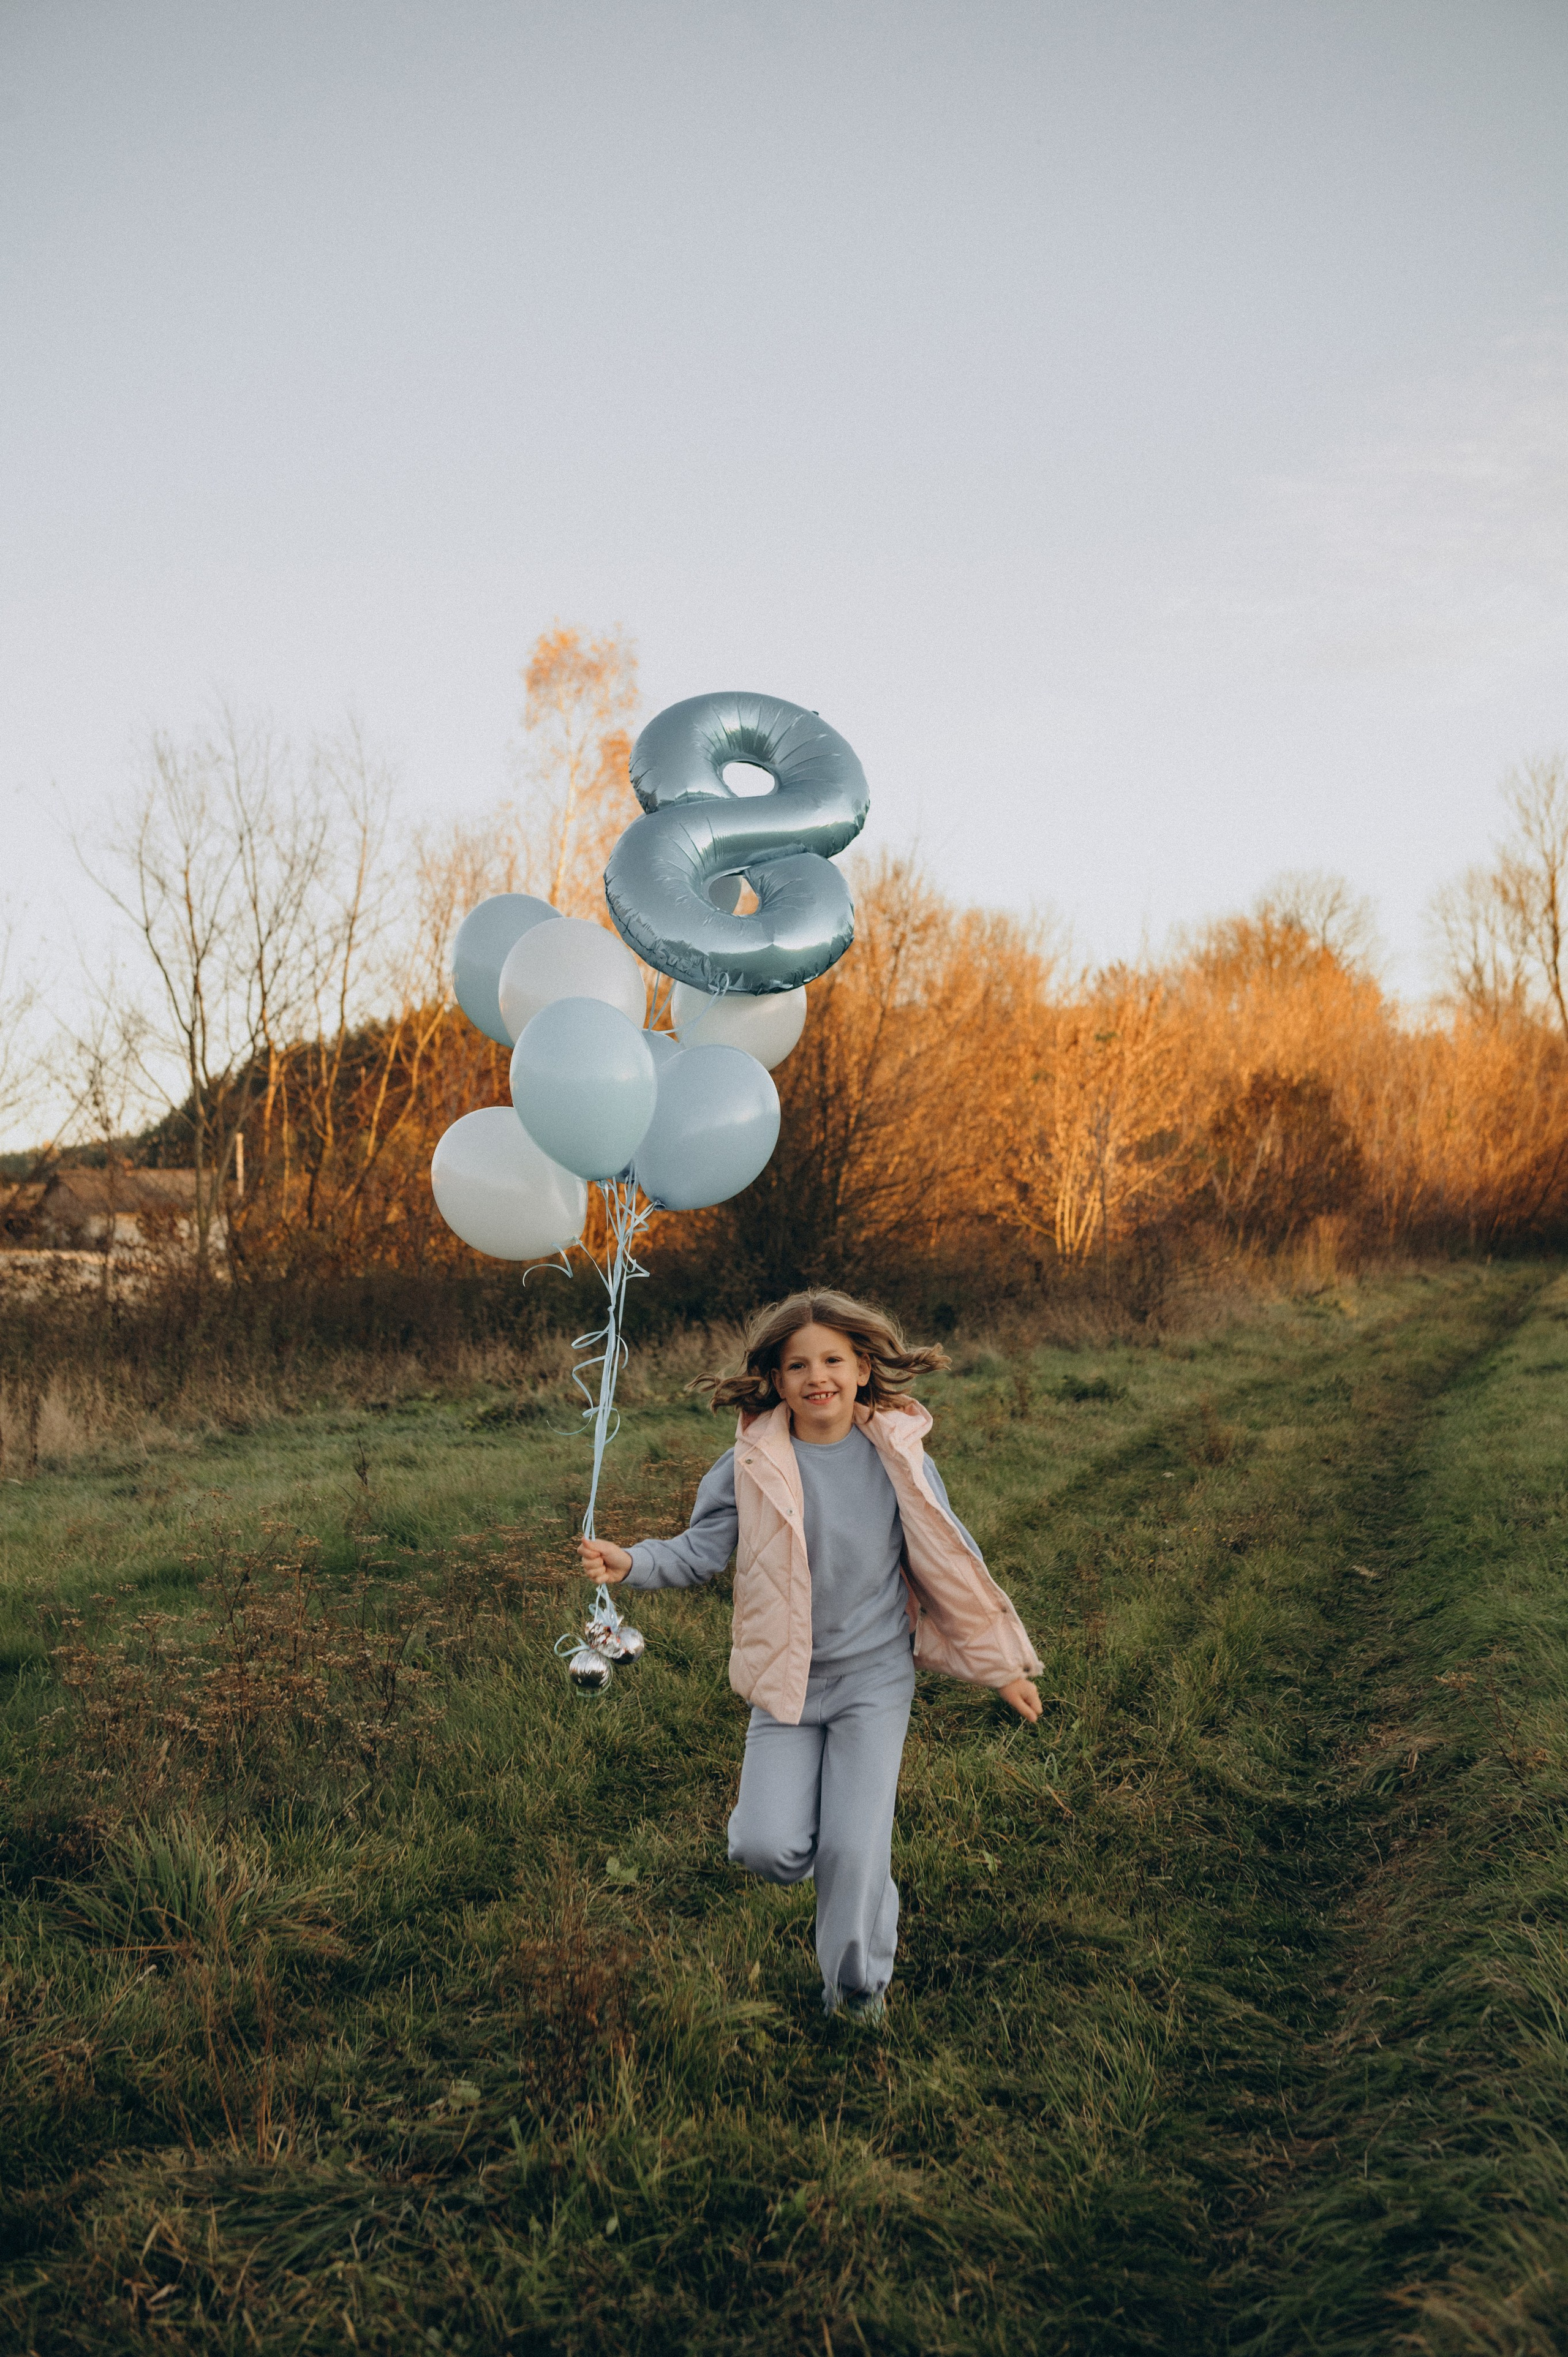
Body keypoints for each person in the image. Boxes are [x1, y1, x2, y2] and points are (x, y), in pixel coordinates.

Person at [577, 1288, 1043, 2024]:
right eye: (797, 1364)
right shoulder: (751, 1461)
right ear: (775, 1377)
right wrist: (629, 1560)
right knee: (768, 1847)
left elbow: (948, 1561)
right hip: (784, 1682)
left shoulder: (896, 1456)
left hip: (873, 1681)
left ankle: (857, 1990)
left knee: (854, 1853)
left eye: (832, 1359)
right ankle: (829, 1847)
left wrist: (1001, 1669)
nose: (815, 1375)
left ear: (862, 1366)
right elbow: (700, 1550)